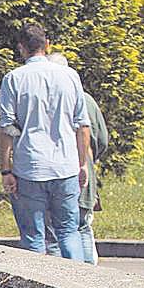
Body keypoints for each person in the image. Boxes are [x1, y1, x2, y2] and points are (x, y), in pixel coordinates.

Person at [0, 23, 93, 261]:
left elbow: (6, 128)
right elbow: (82, 125)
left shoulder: (13, 79)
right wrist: (82, 163)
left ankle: (36, 281)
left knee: (33, 237)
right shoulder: (70, 76)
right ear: (47, 45)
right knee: (69, 232)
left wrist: (6, 169)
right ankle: (79, 279)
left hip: (30, 167)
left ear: (21, 48)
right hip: (65, 166)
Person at [51, 52, 109, 264]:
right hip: (83, 167)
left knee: (57, 231)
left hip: (56, 169)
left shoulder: (47, 98)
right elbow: (102, 139)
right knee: (82, 225)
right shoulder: (86, 99)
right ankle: (88, 274)